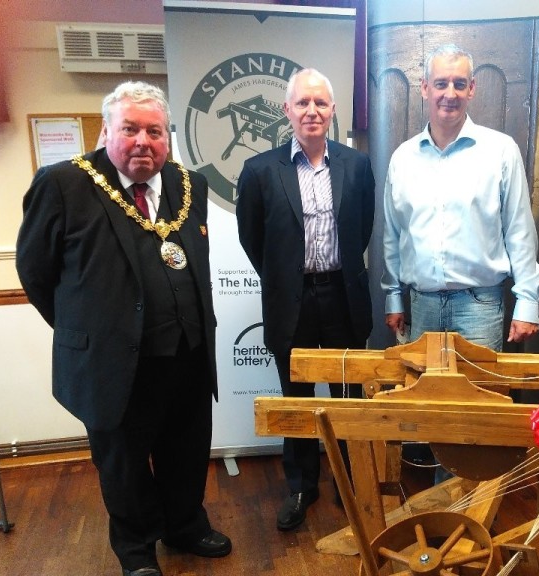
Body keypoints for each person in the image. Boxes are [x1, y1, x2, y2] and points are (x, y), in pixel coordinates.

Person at [16, 81, 231, 576]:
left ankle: (186, 526)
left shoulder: (188, 183)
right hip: (114, 362)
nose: (143, 141)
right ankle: (136, 551)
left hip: (188, 353)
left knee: (187, 450)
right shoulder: (62, 183)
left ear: (168, 137)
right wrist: (85, 330)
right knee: (124, 463)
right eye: (130, 129)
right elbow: (35, 272)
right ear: (106, 130)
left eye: (154, 131)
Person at [236, 68, 375, 531]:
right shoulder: (259, 171)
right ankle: (301, 486)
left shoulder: (357, 165)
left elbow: (362, 229)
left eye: (321, 103)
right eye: (302, 103)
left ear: (333, 110)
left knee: (347, 395)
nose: (312, 111)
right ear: (287, 110)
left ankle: (350, 479)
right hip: (290, 300)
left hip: (343, 296)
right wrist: (285, 280)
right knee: (295, 398)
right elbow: (252, 239)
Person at [382, 44, 539, 353]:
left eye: (459, 83)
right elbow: (393, 235)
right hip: (422, 305)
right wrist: (393, 296)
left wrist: (527, 301)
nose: (450, 93)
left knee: (480, 400)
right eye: (441, 83)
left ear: (472, 88)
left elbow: (519, 231)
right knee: (423, 401)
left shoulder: (501, 151)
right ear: (425, 88)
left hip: (480, 307)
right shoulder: (403, 158)